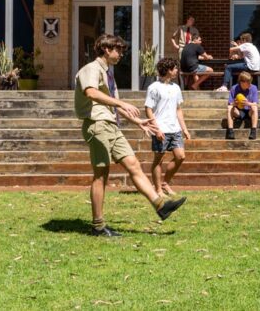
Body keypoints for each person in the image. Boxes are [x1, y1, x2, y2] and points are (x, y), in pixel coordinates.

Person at [74, 34, 185, 237]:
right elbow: (90, 92)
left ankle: (161, 206)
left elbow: (114, 105)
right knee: (101, 174)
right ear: (107, 49)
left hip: (111, 125)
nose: (121, 54)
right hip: (96, 124)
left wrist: (138, 122)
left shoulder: (108, 73)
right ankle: (98, 226)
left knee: (133, 164)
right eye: (118, 50)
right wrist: (121, 103)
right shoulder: (91, 69)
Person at [145, 57, 192, 196]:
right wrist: (156, 129)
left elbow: (178, 109)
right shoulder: (154, 87)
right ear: (168, 70)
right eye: (175, 68)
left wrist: (184, 129)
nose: (177, 70)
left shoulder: (176, 87)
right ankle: (158, 189)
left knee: (180, 156)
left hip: (175, 129)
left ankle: (165, 183)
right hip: (161, 129)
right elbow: (148, 109)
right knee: (159, 160)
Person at [225, 71, 260, 140]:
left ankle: (253, 131)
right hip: (239, 112)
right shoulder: (234, 88)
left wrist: (248, 103)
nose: (250, 84)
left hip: (250, 111)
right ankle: (230, 131)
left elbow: (255, 103)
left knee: (254, 107)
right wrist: (234, 103)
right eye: (248, 82)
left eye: (250, 82)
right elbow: (230, 103)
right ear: (241, 82)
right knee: (229, 108)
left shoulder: (253, 88)